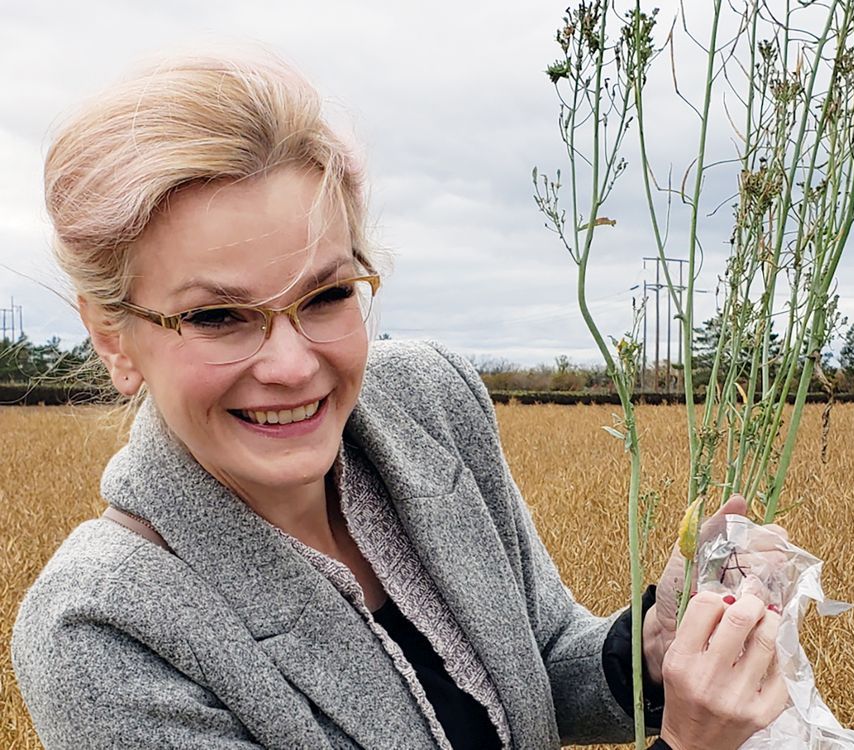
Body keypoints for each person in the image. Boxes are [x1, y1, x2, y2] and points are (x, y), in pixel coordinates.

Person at [11, 49, 787, 750]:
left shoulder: (429, 401)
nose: (291, 365)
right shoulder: (103, 632)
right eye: (218, 316)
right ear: (113, 337)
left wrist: (653, 643)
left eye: (326, 294)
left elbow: (539, 662)